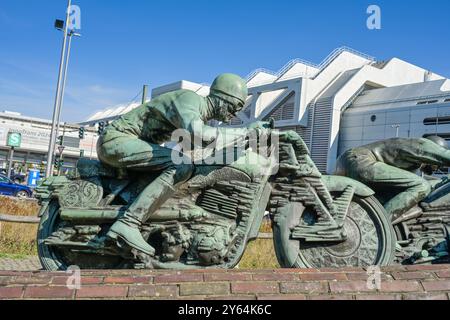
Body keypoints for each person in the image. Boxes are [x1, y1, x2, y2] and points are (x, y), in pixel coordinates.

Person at [97, 73, 268, 256]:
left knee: (187, 165)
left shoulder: (196, 114)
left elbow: (204, 146)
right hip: (116, 141)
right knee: (181, 166)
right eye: (236, 106)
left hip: (127, 143)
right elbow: (201, 135)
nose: (235, 113)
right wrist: (245, 132)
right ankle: (128, 223)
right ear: (223, 98)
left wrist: (246, 140)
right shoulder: (188, 99)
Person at [335, 136, 450, 219]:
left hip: (348, 163)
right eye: (437, 165)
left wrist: (439, 181)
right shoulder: (422, 144)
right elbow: (446, 156)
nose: (436, 168)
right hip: (361, 161)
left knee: (406, 192)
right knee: (422, 186)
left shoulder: (413, 159)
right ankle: (379, 228)